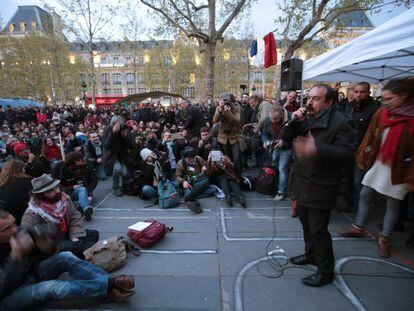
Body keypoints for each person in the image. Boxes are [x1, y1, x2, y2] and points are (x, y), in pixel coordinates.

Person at [281, 84, 355, 287]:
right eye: (308, 98)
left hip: (322, 184)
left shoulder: (341, 123)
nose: (309, 102)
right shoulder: (306, 117)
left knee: (318, 228)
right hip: (302, 179)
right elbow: (285, 139)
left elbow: (347, 154)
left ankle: (325, 271)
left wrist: (318, 148)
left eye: (315, 99)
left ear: (329, 102)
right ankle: (311, 254)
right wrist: (293, 121)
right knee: (305, 222)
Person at [339, 78, 414, 258]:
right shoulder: (382, 112)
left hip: (399, 167)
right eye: (384, 98)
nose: (385, 102)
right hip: (379, 161)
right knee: (365, 193)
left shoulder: (411, 118)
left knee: (393, 203)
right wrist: (362, 155)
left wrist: (411, 176)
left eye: (390, 98)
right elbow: (370, 137)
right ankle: (358, 227)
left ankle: (385, 238)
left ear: (403, 97)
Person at [0, 210, 135, 308]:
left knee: (65, 257)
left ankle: (109, 287)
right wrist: (15, 257)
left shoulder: (18, 232)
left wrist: (44, 244)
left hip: (31, 274)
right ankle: (111, 285)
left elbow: (52, 242)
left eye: (14, 223)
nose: (14, 229)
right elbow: (3, 288)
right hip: (9, 296)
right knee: (51, 288)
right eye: (7, 228)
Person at [21, 174, 99, 259]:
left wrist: (75, 234)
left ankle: (82, 253)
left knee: (93, 234)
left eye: (56, 187)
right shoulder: (33, 213)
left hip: (67, 233)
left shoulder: (64, 199)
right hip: (53, 243)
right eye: (50, 191)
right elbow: (33, 237)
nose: (57, 191)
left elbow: (75, 215)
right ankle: (89, 253)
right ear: (41, 195)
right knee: (74, 246)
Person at [261, 105, 292, 201]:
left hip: (286, 148)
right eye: (272, 119)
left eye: (276, 119)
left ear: (282, 115)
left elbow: (296, 136)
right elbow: (264, 133)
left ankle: (281, 191)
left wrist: (284, 142)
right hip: (274, 146)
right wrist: (265, 141)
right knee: (274, 166)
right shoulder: (268, 119)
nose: (273, 121)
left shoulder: (291, 119)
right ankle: (273, 187)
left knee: (282, 168)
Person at [176, 146, 216, 214]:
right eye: (189, 158)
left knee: (213, 189)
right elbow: (177, 176)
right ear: (185, 157)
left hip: (200, 181)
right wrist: (183, 181)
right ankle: (195, 204)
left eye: (193, 157)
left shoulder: (198, 158)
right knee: (188, 190)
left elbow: (208, 170)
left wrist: (205, 166)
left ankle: (188, 198)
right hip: (189, 183)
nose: (192, 160)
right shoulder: (180, 163)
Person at [103, 115, 135, 197]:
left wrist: (126, 137)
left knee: (125, 172)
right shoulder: (107, 129)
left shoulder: (125, 130)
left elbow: (131, 146)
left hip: (122, 155)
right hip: (111, 156)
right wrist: (113, 133)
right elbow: (106, 146)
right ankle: (116, 188)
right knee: (117, 168)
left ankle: (125, 187)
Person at [59, 151, 97, 221]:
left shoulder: (86, 165)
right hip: (69, 193)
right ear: (75, 161)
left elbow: (94, 180)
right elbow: (61, 186)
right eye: (80, 159)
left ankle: (84, 208)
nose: (82, 160)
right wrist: (72, 187)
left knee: (85, 194)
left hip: (84, 191)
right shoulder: (64, 169)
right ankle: (83, 207)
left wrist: (88, 192)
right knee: (83, 196)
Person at [212, 93, 242, 175]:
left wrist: (228, 112)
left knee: (236, 158)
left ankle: (238, 176)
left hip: (234, 137)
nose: (225, 102)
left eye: (226, 100)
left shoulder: (236, 107)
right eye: (223, 100)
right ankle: (228, 175)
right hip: (222, 137)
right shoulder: (218, 108)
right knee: (226, 157)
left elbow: (237, 121)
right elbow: (214, 120)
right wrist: (219, 111)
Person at [0, 160, 32, 224]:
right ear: (22, 169)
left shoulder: (2, 185)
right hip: (27, 218)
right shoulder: (28, 181)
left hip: (11, 220)